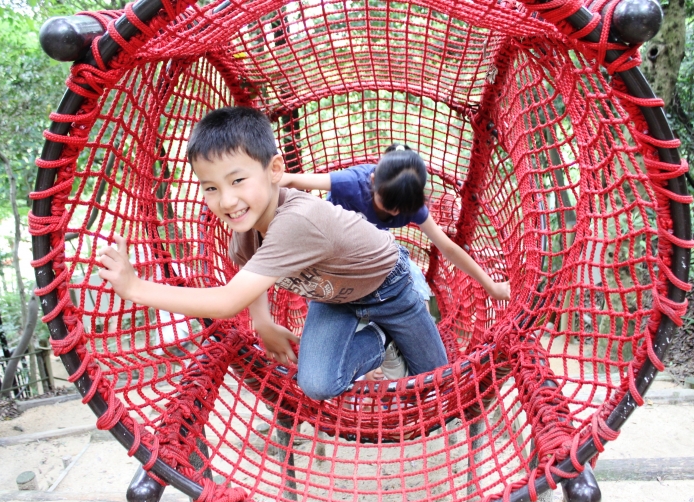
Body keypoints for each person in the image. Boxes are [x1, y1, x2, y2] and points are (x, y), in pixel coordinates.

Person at [96, 107, 447, 401]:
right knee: (317, 385)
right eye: (211, 188)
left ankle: (393, 323)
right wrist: (262, 322)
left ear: (274, 170)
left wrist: (135, 288)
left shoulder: (297, 221)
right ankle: (382, 340)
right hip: (333, 297)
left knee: (436, 383)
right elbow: (246, 269)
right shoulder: (244, 231)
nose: (227, 200)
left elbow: (226, 301)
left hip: (389, 286)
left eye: (237, 181)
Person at [280, 143, 511, 303]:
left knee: (413, 285)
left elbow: (448, 248)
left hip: (367, 248)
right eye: (386, 202)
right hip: (331, 239)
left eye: (400, 208)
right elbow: (291, 179)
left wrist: (490, 285)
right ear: (372, 181)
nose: (392, 211)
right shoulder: (353, 182)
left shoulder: (412, 205)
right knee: (326, 294)